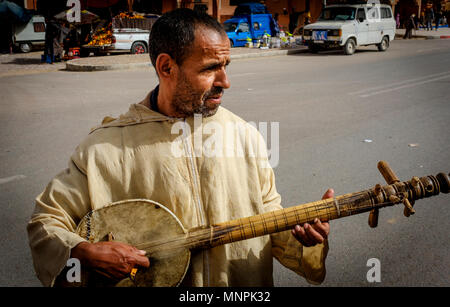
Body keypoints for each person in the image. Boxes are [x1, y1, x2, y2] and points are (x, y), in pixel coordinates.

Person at [27, 8, 332, 287]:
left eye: (226, 65)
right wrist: (83, 252)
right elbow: (46, 222)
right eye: (210, 68)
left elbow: (266, 214)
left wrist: (302, 239)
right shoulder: (103, 150)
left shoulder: (244, 135)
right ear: (166, 67)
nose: (225, 81)